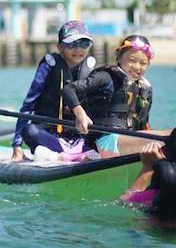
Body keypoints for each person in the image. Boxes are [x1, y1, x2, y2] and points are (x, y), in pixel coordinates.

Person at [61, 34, 167, 158]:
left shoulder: (144, 88)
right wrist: (80, 115)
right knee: (169, 139)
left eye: (143, 63)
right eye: (132, 60)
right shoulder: (106, 77)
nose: (137, 67)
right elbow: (68, 89)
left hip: (125, 140)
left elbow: (143, 125)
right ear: (119, 57)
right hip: (104, 142)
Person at [11, 20, 97, 163]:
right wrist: (17, 145)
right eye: (72, 44)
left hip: (80, 138)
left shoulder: (91, 68)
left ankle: (73, 154)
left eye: (84, 44)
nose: (78, 49)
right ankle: (64, 156)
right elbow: (28, 105)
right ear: (60, 47)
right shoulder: (49, 65)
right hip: (50, 136)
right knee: (29, 130)